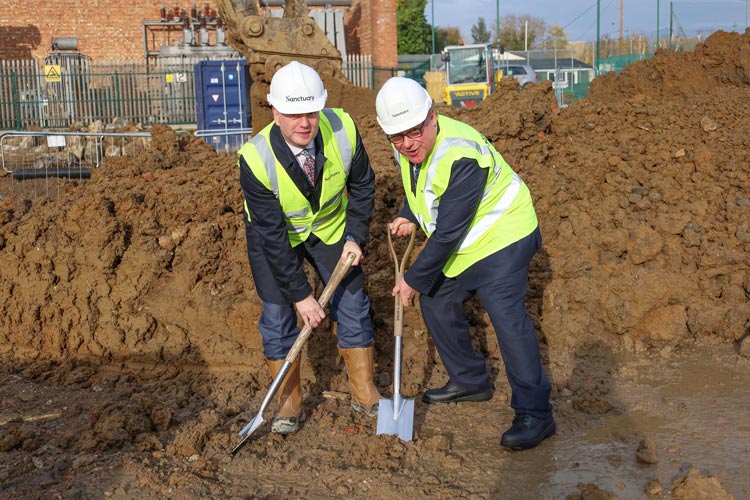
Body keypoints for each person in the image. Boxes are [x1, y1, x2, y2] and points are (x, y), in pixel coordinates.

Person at [375, 76, 554, 450]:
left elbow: (447, 233)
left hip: (505, 235)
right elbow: (421, 184)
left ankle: (536, 414)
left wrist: (411, 279)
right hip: (467, 244)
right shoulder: (405, 147)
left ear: (432, 117)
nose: (408, 144)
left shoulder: (461, 153)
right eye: (397, 137)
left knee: (505, 314)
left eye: (414, 133)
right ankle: (471, 382)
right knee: (438, 300)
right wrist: (409, 211)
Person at [238, 61, 380, 434]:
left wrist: (356, 235)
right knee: (277, 316)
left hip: (332, 231)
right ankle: (288, 403)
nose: (304, 122)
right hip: (277, 240)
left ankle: (363, 390)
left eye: (311, 112)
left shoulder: (343, 129)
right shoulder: (255, 159)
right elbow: (270, 235)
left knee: (353, 301)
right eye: (292, 114)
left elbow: (364, 185)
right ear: (274, 112)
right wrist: (302, 295)